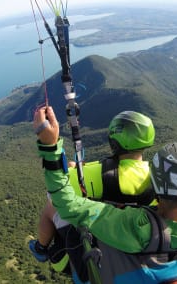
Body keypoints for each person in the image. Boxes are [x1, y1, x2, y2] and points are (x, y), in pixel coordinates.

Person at [33, 106, 177, 283]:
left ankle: (41, 249)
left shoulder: (132, 225)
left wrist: (50, 147)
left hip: (94, 264)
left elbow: (64, 202)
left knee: (52, 208)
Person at [28, 110, 156, 280]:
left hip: (95, 250)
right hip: (141, 248)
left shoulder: (98, 174)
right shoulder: (157, 176)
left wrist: (56, 152)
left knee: (51, 208)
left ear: (114, 142)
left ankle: (41, 248)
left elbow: (57, 190)